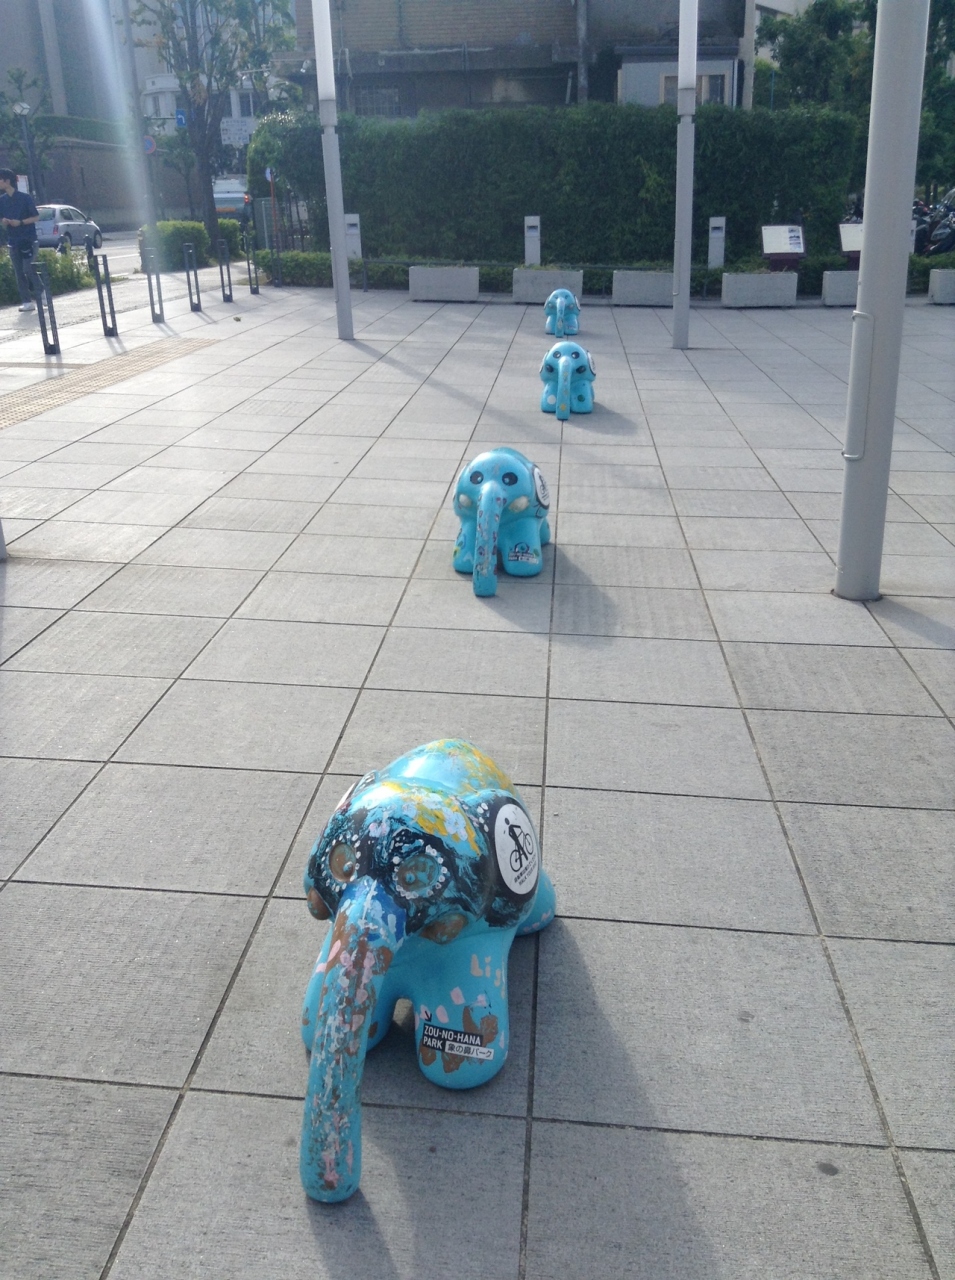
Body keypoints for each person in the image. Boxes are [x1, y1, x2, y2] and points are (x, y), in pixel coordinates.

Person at [0, 168, 41, 312]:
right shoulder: (2, 200)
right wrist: (3, 221)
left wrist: (21, 222)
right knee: (19, 272)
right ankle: (26, 302)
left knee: (28, 268)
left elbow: (36, 217)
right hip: (13, 240)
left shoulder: (25, 198)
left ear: (7, 181)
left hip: (29, 239)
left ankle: (42, 292)